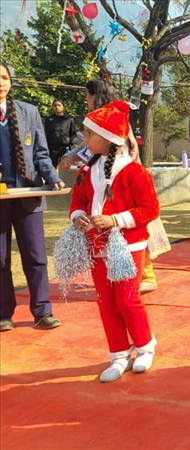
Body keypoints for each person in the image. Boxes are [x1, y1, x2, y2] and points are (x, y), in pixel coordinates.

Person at [69, 100, 160, 382]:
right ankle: (119, 353)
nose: (85, 139)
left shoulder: (135, 172)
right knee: (106, 302)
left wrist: (115, 220)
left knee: (127, 299)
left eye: (90, 134)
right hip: (97, 246)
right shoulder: (85, 172)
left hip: (128, 247)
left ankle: (144, 346)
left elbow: (150, 209)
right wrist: (78, 217)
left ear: (108, 138)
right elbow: (77, 202)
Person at [59, 79, 166, 293]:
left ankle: (142, 274)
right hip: (107, 183)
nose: (86, 99)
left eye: (87, 94)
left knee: (133, 233)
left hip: (122, 183)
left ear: (95, 95)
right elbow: (88, 147)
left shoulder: (113, 118)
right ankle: (121, 276)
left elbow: (149, 208)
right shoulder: (99, 121)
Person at [0, 61, 64, 332]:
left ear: (11, 81)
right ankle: (3, 313)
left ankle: (42, 310)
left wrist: (53, 177)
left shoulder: (29, 111)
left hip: (29, 195)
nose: (0, 83)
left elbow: (41, 154)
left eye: (4, 77)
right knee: (0, 259)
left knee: (36, 255)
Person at [44, 99, 80, 167]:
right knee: (51, 167)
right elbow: (46, 133)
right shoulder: (49, 120)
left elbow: (73, 133)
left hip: (65, 147)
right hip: (52, 148)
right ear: (52, 107)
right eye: (55, 105)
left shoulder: (69, 120)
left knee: (64, 167)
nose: (57, 107)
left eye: (59, 105)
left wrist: (74, 143)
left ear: (63, 107)